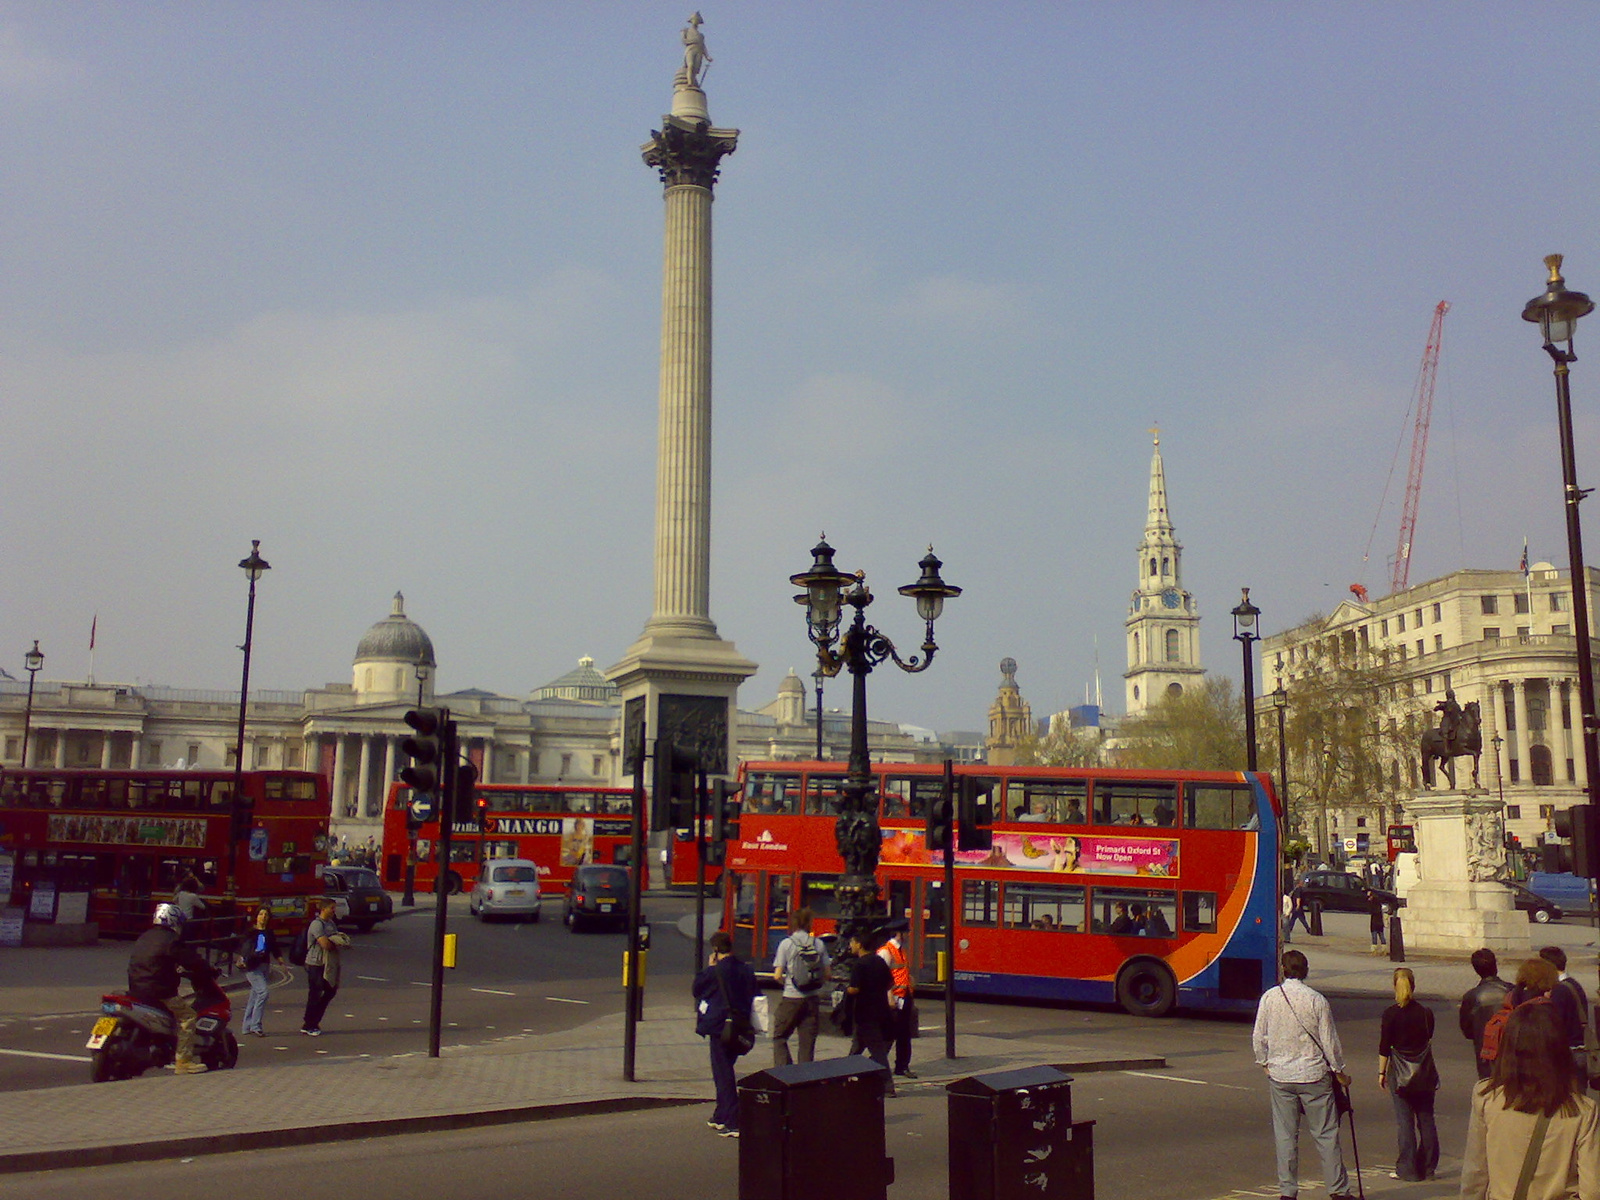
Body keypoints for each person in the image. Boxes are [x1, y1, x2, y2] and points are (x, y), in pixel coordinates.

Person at [1460, 1002, 1600, 1200]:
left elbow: (1476, 1174)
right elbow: (1592, 1190)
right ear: (1560, 1050)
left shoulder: (1486, 1097)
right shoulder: (1582, 1111)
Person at [1252, 949, 1356, 1200]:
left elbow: (1259, 1035)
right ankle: (1338, 1190)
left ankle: (1288, 1192)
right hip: (1313, 1074)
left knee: (1286, 1136)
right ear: (1306, 970)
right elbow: (1329, 1041)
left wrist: (1264, 1062)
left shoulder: (1270, 997)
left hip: (1281, 1075)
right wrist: (1339, 1071)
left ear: (1283, 969)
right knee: (1326, 1134)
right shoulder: (1316, 1000)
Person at [127, 903, 217, 1074]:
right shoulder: (171, 940)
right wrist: (208, 969)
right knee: (188, 1017)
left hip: (136, 989)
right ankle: (183, 1061)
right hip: (160, 991)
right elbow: (192, 960)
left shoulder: (144, 936)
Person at [1378, 967, 1440, 1181]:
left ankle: (1407, 1169)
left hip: (1400, 1071)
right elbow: (1428, 1037)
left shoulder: (1390, 1013)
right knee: (1426, 1118)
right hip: (1423, 1071)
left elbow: (1385, 1046)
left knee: (1404, 1121)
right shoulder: (1425, 1013)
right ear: (1413, 985)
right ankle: (1429, 1167)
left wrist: (1381, 1072)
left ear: (1394, 986)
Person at [693, 929, 756, 1137]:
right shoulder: (745, 969)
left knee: (723, 1073)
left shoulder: (715, 971)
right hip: (740, 1026)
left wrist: (710, 967)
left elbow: (697, 989)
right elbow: (754, 994)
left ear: (716, 950)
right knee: (726, 1068)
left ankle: (733, 1120)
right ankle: (720, 1115)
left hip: (720, 1027)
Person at [771, 908, 829, 1066]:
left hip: (791, 998)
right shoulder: (817, 942)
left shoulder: (787, 943)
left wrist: (789, 985)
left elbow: (777, 975)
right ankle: (805, 1078)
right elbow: (827, 974)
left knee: (780, 1036)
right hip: (812, 999)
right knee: (807, 1043)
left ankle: (785, 1072)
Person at [846, 930, 896, 1096]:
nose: (850, 945)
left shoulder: (859, 965)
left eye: (852, 942)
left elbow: (854, 989)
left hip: (865, 1012)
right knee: (857, 1049)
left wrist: (847, 991)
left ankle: (887, 1085)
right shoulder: (879, 961)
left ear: (859, 944)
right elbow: (890, 983)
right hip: (881, 1009)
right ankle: (845, 1076)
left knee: (877, 1051)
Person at [1541, 946, 1591, 1089]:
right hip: (1580, 1050)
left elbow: (1555, 1024)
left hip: (1568, 1053)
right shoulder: (1574, 984)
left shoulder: (1559, 990)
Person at [1460, 948, 1515, 1080]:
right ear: (1495, 965)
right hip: (1512, 1056)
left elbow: (1467, 1031)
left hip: (1486, 1057)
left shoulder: (1471, 996)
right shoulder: (1512, 991)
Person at [300, 900, 349, 1036]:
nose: (334, 910)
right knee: (315, 994)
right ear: (323, 909)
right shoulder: (317, 924)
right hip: (315, 963)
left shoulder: (331, 924)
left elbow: (335, 939)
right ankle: (310, 1024)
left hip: (327, 964)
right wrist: (336, 942)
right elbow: (325, 944)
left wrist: (339, 941)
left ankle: (312, 1021)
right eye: (331, 908)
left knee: (330, 991)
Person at [236, 904, 282, 1038]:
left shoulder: (268, 932)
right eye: (261, 914)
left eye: (266, 915)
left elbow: (274, 947)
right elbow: (242, 947)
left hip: (264, 966)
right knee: (263, 992)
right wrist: (242, 959)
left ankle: (246, 1026)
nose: (263, 917)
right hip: (252, 966)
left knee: (255, 995)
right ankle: (256, 1025)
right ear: (256, 917)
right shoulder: (250, 932)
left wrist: (280, 961)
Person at [878, 926, 917, 1079]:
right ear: (898, 934)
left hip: (904, 997)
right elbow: (882, 977)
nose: (907, 935)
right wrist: (888, 997)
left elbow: (902, 972)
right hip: (893, 999)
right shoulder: (885, 951)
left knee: (904, 1034)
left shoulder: (901, 950)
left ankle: (902, 1066)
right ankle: (877, 1064)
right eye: (905, 932)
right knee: (888, 1035)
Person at [1368, 890, 1388, 954]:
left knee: (1374, 936)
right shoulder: (1379, 904)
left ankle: (1374, 949)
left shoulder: (1372, 904)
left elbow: (1371, 911)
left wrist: (1369, 902)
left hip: (1374, 923)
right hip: (1380, 923)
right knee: (1381, 936)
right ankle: (1384, 949)